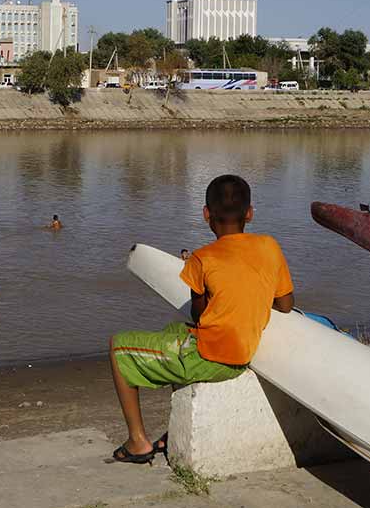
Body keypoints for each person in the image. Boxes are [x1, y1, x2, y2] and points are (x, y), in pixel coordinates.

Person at [108, 174, 294, 463]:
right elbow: (285, 304)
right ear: (250, 213)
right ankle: (172, 430)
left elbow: (199, 312)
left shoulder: (202, 258)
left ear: (206, 213)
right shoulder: (270, 246)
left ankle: (137, 442)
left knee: (119, 347)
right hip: (243, 351)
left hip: (212, 357)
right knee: (173, 331)